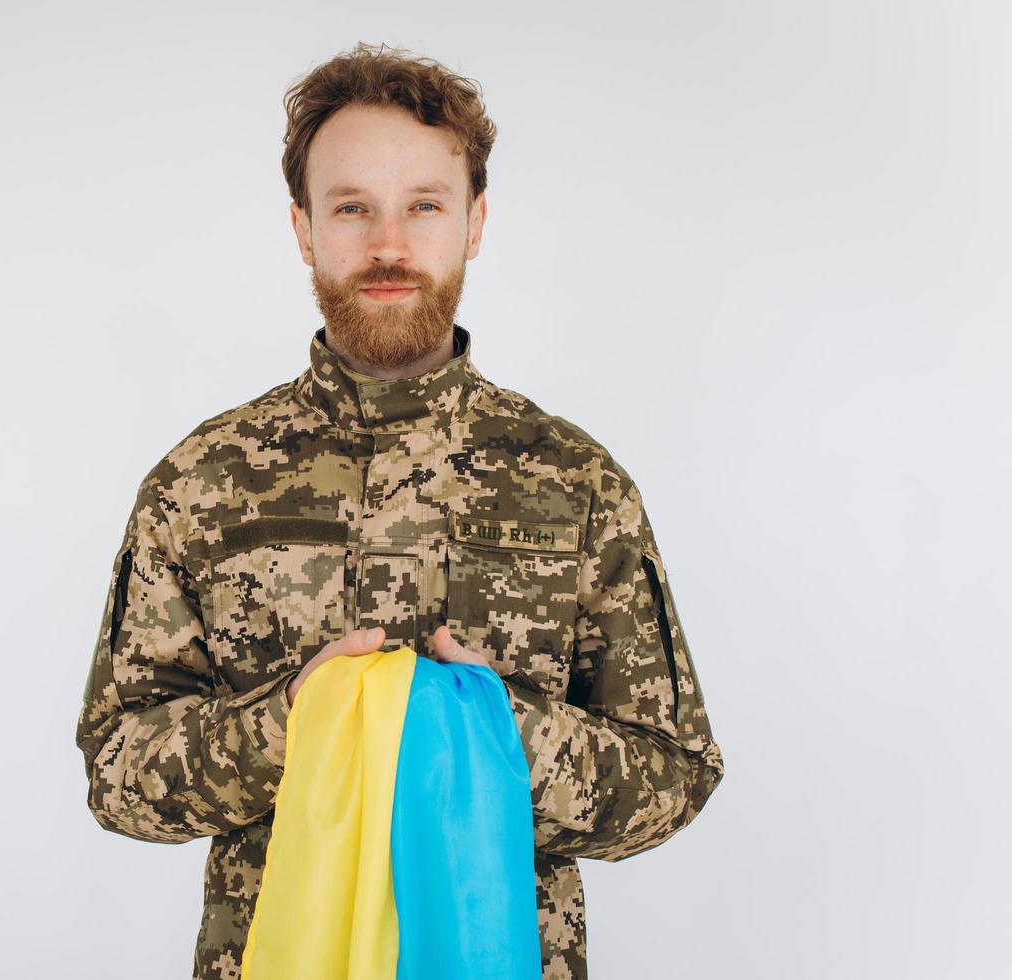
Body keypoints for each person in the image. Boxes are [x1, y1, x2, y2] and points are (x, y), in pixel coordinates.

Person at [74, 41, 724, 980]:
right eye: (353, 209)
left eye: (424, 206)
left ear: (475, 221)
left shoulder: (578, 486)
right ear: (304, 229)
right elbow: (116, 777)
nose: (389, 245)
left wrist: (497, 737)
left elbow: (674, 775)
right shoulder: (200, 483)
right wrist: (288, 725)